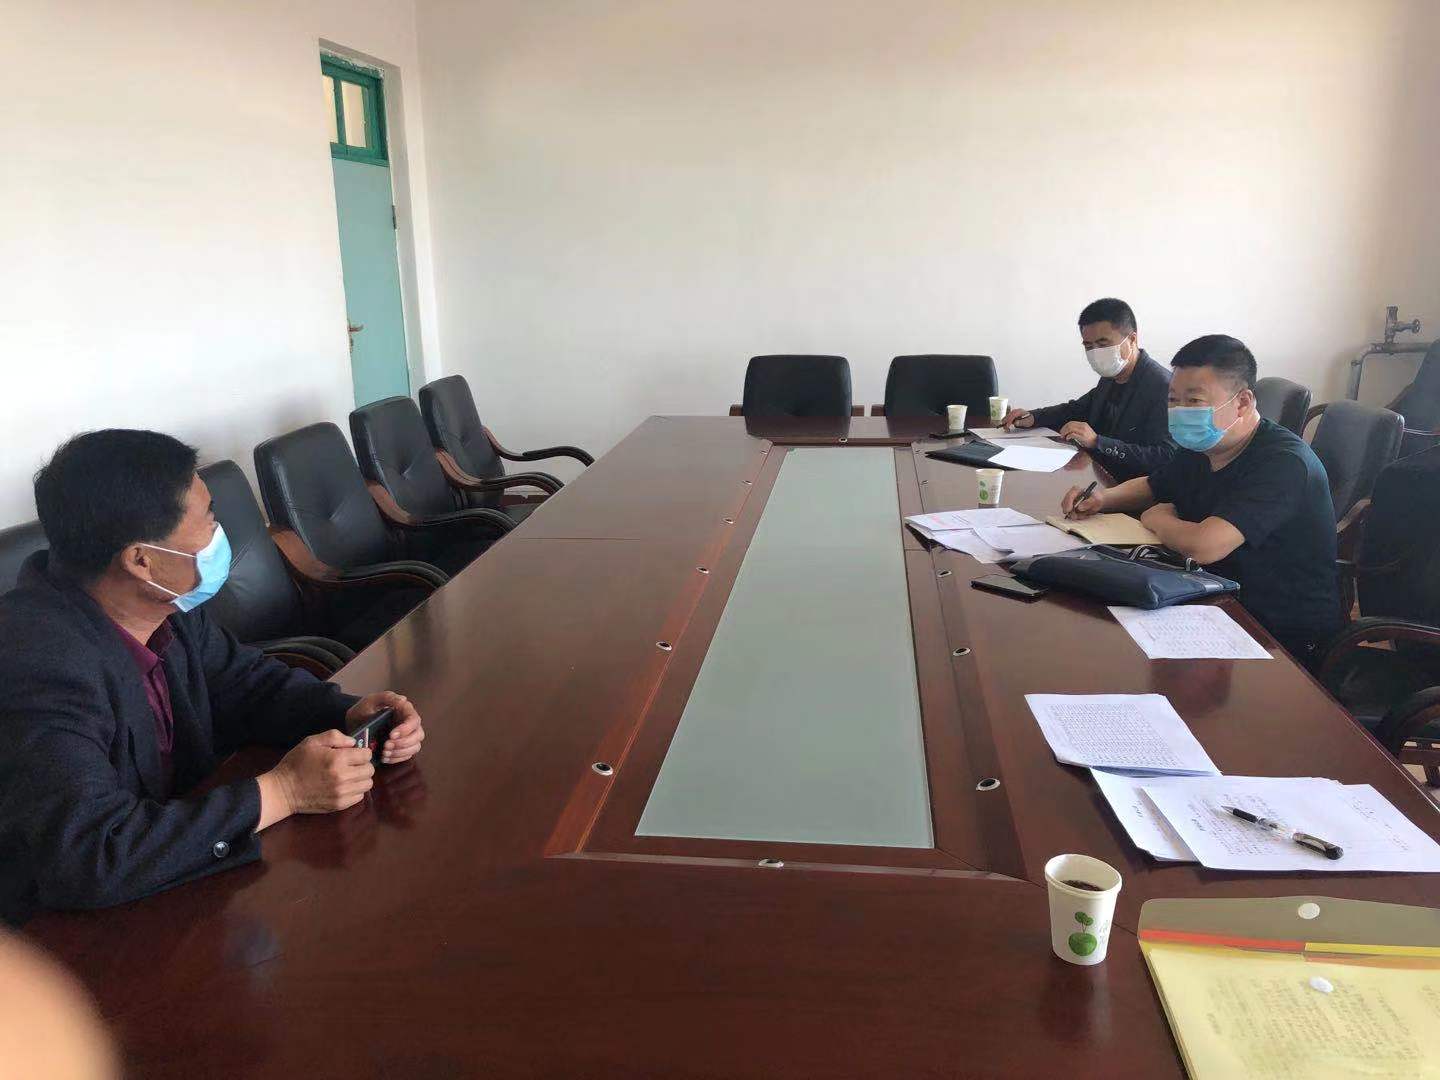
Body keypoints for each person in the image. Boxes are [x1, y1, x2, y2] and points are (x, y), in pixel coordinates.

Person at [0, 430, 426, 925]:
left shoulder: (162, 606)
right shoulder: (37, 663)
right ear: (142, 560)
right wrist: (283, 792)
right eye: (208, 519)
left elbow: (248, 686)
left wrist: (348, 713)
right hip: (68, 937)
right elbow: (91, 852)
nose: (220, 532)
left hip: (178, 884)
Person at [1060, 335, 1343, 665]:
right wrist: (1101, 499)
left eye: (1193, 401)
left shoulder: (1284, 463)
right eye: (1173, 400)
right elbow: (1154, 485)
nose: (1179, 411)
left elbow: (1205, 545)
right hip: (1212, 592)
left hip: (1278, 634)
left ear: (1243, 402)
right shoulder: (1207, 444)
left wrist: (1158, 519)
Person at [1001, 298, 1174, 479]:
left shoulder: (1163, 387)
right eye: (1089, 346)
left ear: (1132, 339)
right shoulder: (1110, 376)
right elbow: (1076, 409)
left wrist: (1098, 442)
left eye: (1103, 344)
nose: (1096, 353)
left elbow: (1164, 456)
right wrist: (1033, 417)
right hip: (1099, 475)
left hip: (1132, 486)